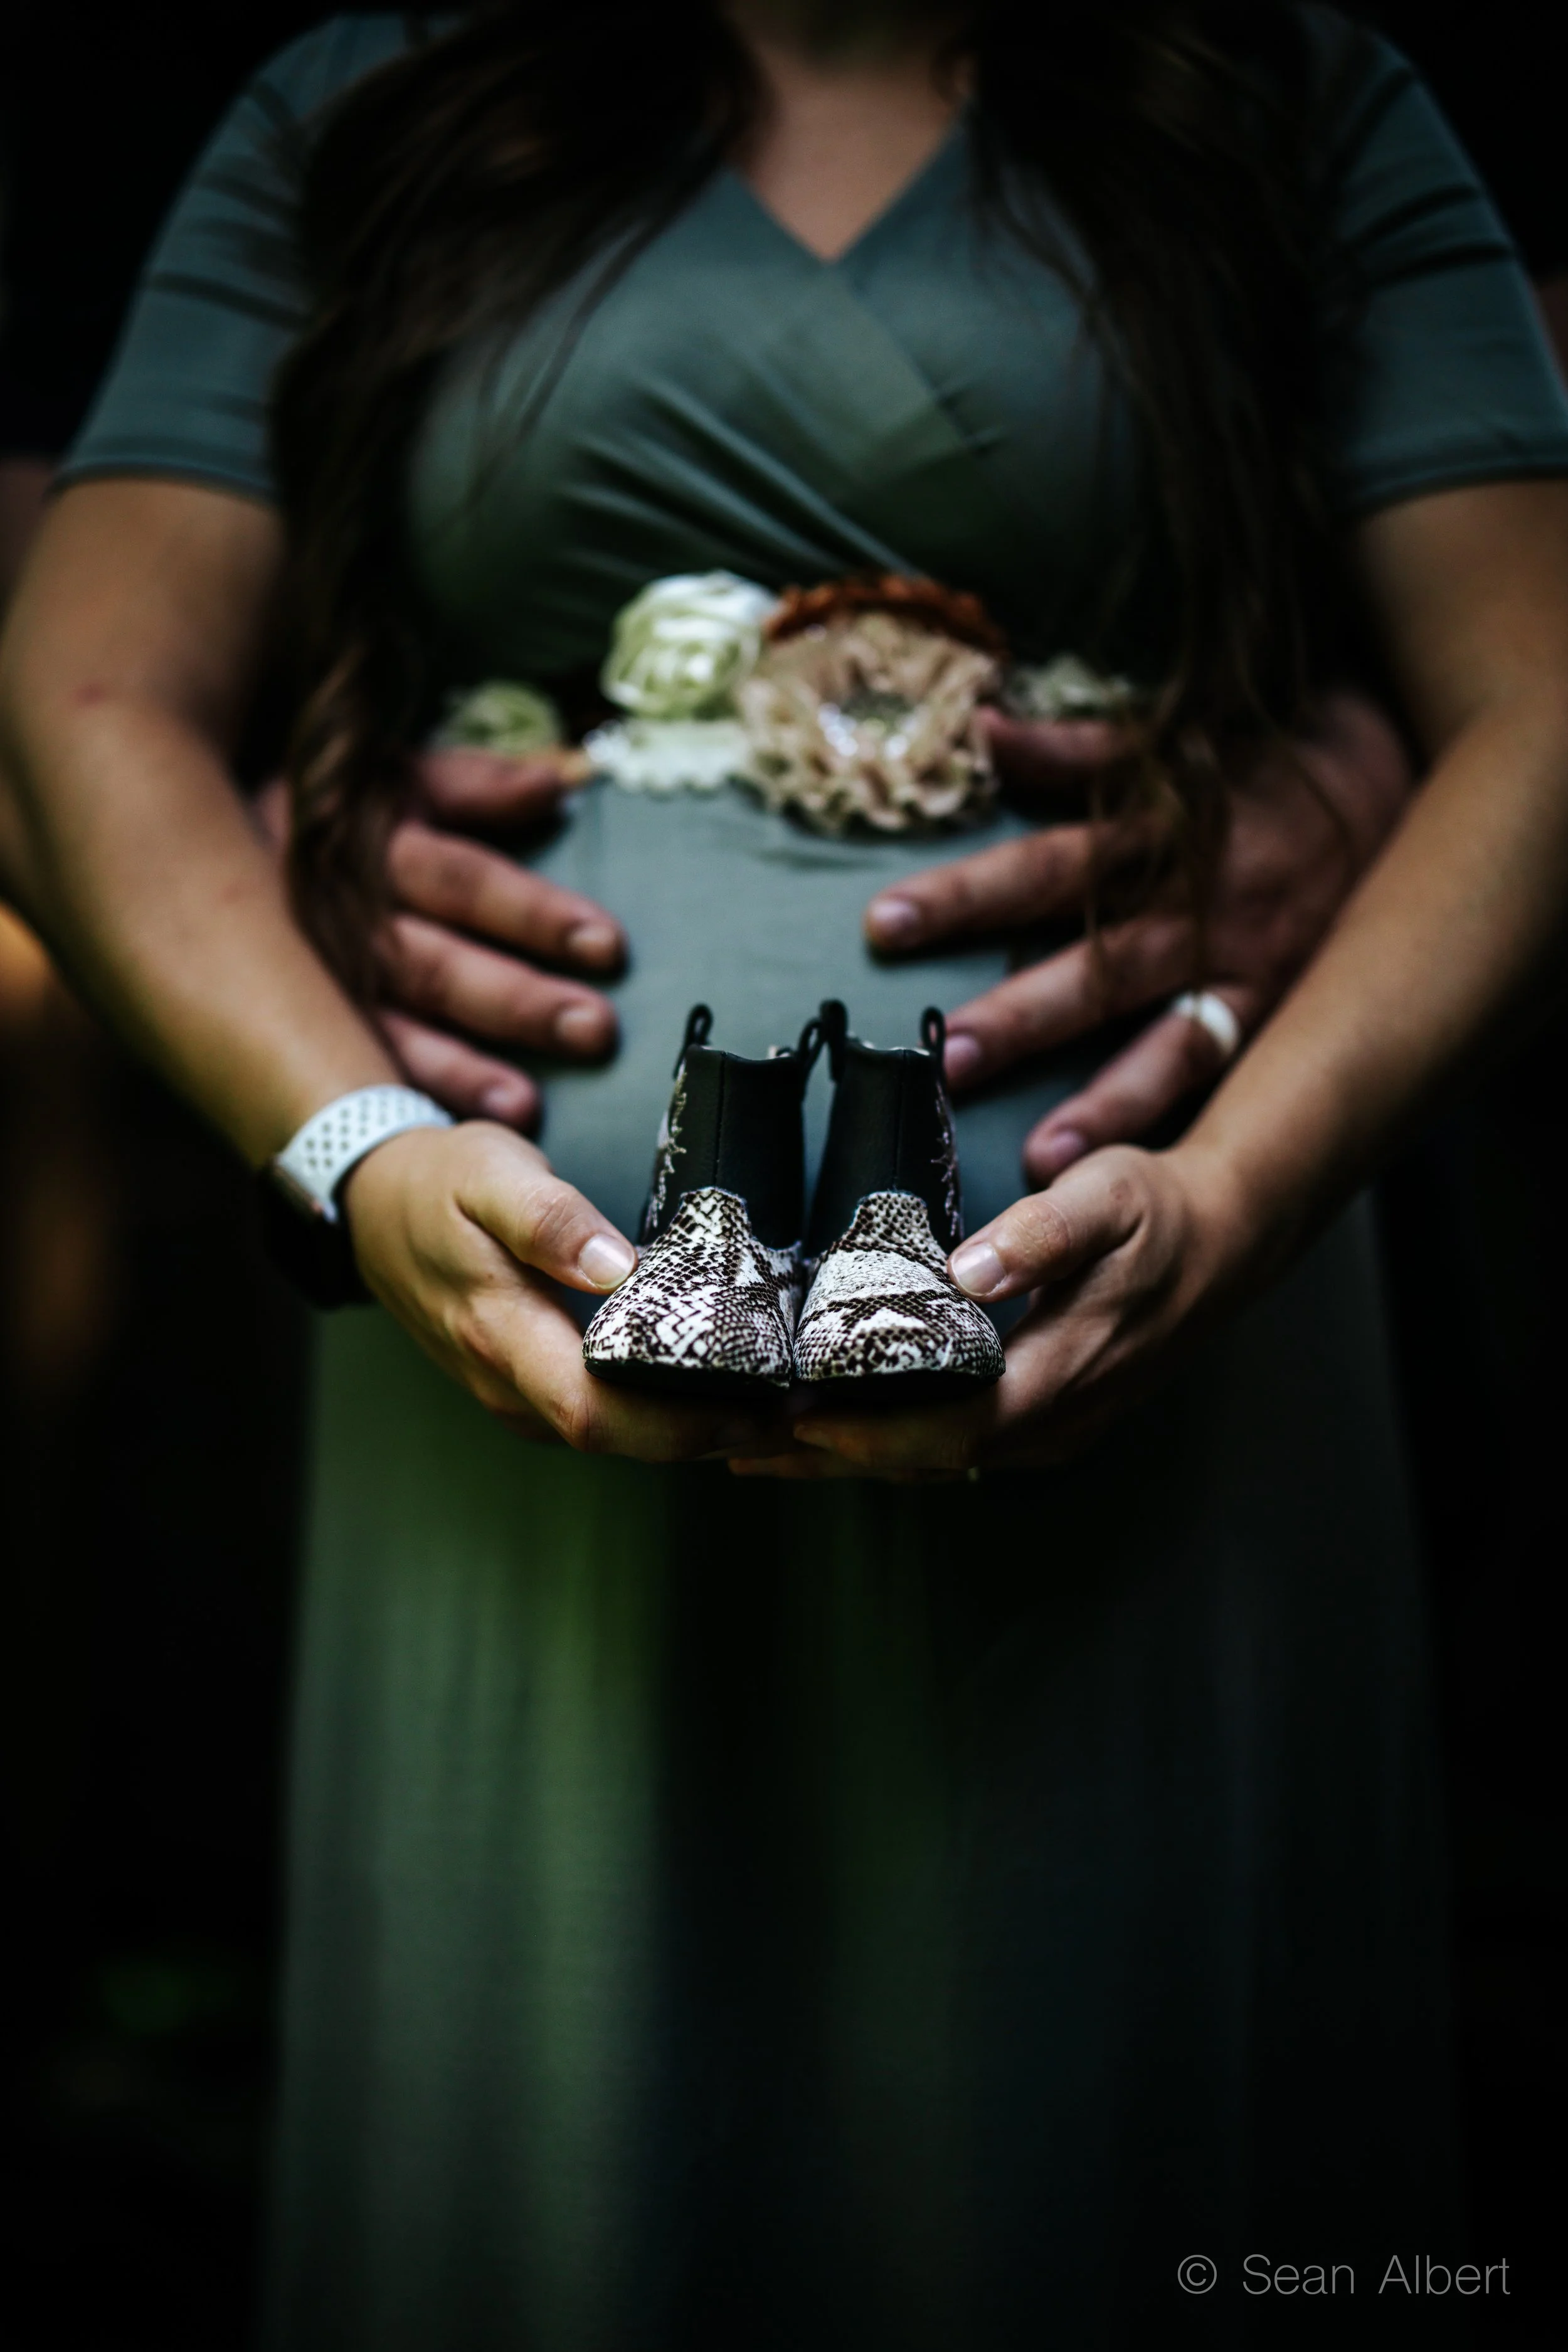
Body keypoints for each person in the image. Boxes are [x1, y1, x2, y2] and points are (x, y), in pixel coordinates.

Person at [3, 6, 1567, 2347]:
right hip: (494, 1374)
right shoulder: (369, 92)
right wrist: (355, 1147)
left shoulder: (1288, 86)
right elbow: (79, 697)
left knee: (1104, 2120)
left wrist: (1242, 1181)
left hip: (1168, 1346)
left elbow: (1542, 688)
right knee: (566, 2153)